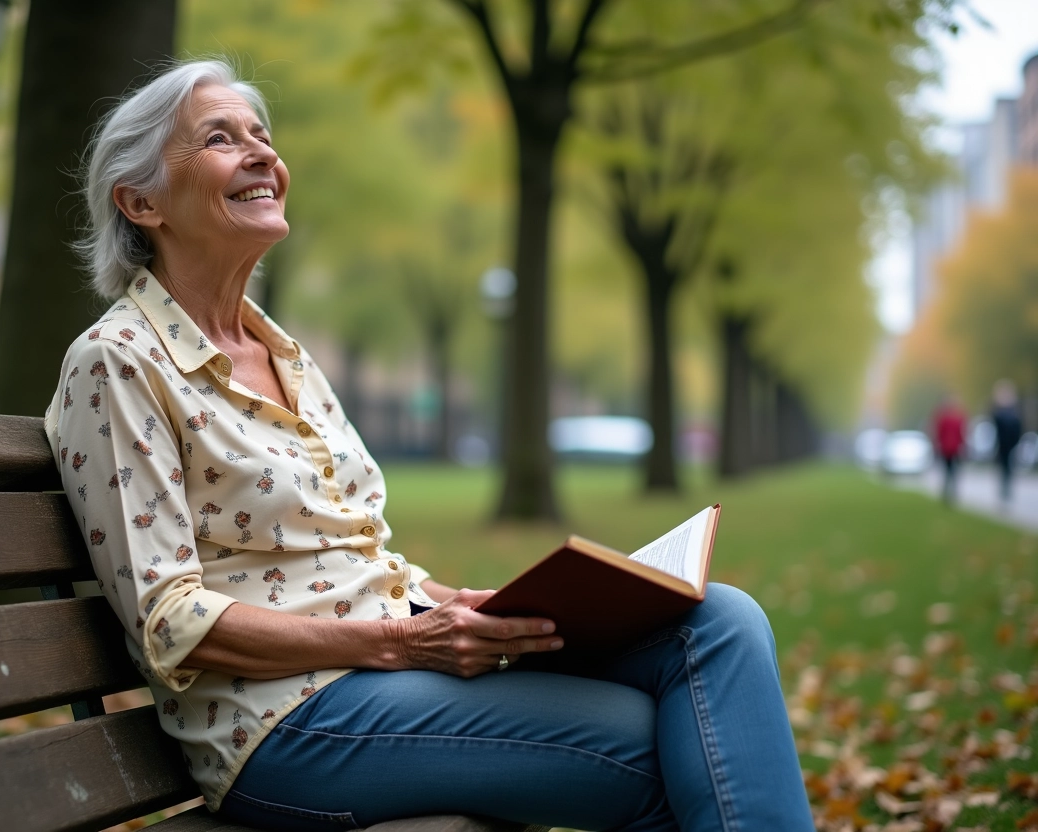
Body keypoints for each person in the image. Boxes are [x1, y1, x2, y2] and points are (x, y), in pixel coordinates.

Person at [46, 59, 812, 832]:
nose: (262, 156)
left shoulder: (284, 354)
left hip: (387, 664)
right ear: (141, 201)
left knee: (717, 621)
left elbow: (354, 549)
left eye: (262, 136)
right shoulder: (119, 362)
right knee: (672, 752)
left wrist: (453, 604)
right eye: (219, 138)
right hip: (283, 721)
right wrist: (403, 641)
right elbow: (170, 619)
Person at [991, 380, 1022, 502]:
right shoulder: (1000, 413)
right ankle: (1004, 488)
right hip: (1003, 444)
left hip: (1010, 444)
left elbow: (1017, 429)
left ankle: (1006, 489)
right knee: (1004, 467)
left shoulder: (1013, 413)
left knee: (1007, 467)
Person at [932, 395, 966, 504]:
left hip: (946, 448)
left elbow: (938, 432)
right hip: (954, 448)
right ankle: (952, 492)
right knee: (953, 470)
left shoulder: (943, 417)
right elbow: (962, 433)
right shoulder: (958, 417)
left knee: (947, 470)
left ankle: (947, 492)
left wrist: (937, 445)